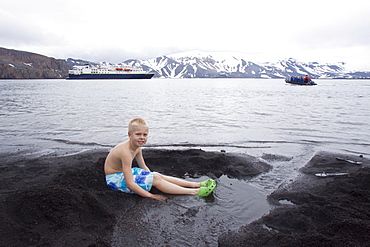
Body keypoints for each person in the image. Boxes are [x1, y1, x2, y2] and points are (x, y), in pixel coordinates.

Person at [104, 118, 216, 201]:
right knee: (156, 179)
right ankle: (194, 192)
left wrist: (151, 176)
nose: (142, 137)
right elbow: (129, 183)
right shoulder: (126, 152)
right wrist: (151, 195)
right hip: (115, 179)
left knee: (156, 175)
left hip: (123, 173)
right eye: (138, 134)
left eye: (145, 134)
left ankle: (195, 184)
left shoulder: (137, 149)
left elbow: (144, 168)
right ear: (129, 135)